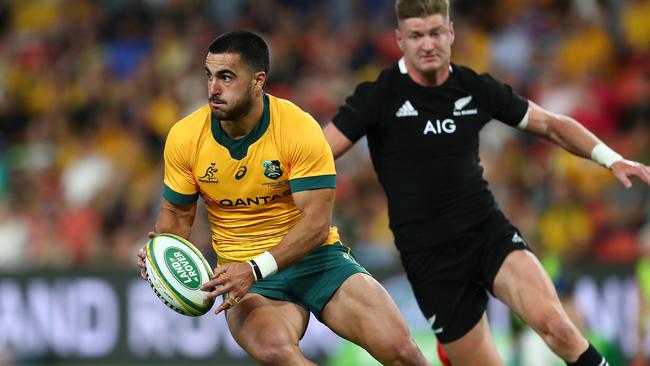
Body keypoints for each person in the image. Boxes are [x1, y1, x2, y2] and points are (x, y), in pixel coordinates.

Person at [323, 1, 650, 365]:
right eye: (416, 36)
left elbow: (551, 124)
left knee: (557, 327)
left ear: (450, 33)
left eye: (435, 33)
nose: (427, 44)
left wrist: (609, 157)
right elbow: (318, 153)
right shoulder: (378, 96)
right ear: (400, 39)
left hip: (486, 233)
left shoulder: (473, 87)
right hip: (430, 259)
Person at [135, 30, 429, 366]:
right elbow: (176, 213)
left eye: (226, 77)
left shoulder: (297, 129)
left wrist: (254, 268)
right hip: (245, 279)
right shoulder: (185, 136)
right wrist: (163, 255)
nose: (213, 88)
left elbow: (317, 225)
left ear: (258, 81)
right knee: (278, 353)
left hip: (316, 261)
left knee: (401, 351)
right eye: (209, 75)